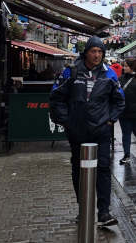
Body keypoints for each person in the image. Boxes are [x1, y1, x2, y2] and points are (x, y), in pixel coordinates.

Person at [50, 36, 125, 227]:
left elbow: (119, 100)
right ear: (86, 52)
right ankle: (83, 209)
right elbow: (56, 97)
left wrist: (110, 120)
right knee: (79, 169)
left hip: (101, 130)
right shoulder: (71, 72)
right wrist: (66, 121)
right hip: (78, 131)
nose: (97, 55)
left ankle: (104, 212)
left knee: (103, 169)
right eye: (94, 51)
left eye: (100, 52)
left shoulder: (109, 74)